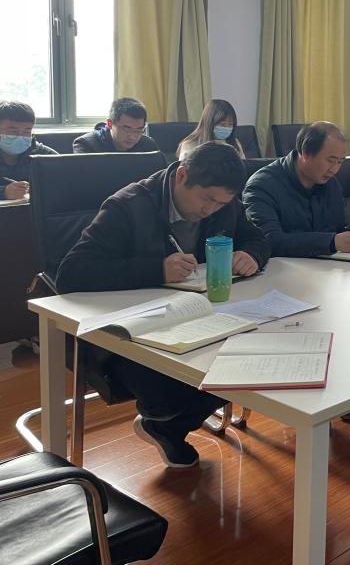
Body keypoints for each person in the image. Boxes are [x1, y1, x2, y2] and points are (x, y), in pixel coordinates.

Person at [55, 142, 271, 467]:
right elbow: (71, 274)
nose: (211, 210)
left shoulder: (224, 204)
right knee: (175, 391)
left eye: (221, 203)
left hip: (197, 319)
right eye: (207, 199)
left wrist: (251, 254)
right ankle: (166, 421)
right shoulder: (128, 206)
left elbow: (257, 238)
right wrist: (156, 269)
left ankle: (166, 428)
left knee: (250, 365)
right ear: (182, 175)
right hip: (128, 336)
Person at [243, 121, 350, 257]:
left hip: (327, 265)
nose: (335, 170)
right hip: (284, 267)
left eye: (340, 162)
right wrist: (331, 242)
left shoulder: (331, 184)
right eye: (330, 160)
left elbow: (338, 229)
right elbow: (267, 240)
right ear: (305, 153)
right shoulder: (261, 186)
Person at [0, 100, 56, 200]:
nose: (20, 137)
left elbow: (66, 175)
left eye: (26, 131)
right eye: (13, 131)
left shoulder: (41, 153)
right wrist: (3, 192)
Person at [72, 97, 160, 154]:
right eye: (127, 129)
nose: (133, 137)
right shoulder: (87, 145)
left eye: (138, 130)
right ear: (110, 124)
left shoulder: (148, 146)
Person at [177, 99, 245, 159]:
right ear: (209, 123)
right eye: (222, 124)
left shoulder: (234, 143)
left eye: (230, 124)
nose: (227, 128)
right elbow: (184, 169)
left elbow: (244, 166)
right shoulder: (189, 145)